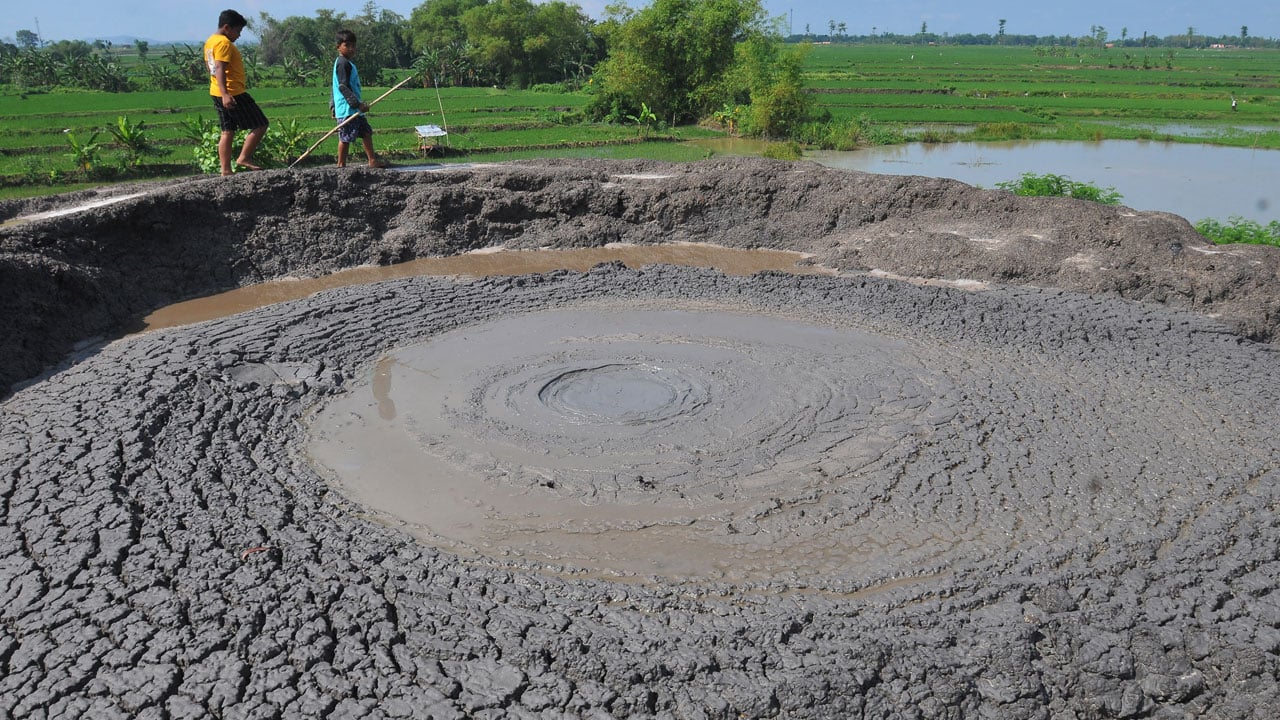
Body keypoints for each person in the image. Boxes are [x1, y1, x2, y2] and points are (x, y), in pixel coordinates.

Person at [204, 9, 268, 175]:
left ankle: (225, 169)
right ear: (227, 27)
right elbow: (219, 67)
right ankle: (244, 157)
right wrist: (226, 94)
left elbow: (209, 67)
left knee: (228, 130)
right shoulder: (224, 44)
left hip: (216, 91)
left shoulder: (210, 41)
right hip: (233, 92)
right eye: (238, 31)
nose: (239, 35)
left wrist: (218, 90)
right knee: (260, 124)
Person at [331, 29, 389, 168]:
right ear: (338, 46)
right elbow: (342, 87)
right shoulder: (342, 63)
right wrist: (357, 104)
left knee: (366, 132)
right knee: (345, 137)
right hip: (348, 109)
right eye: (347, 45)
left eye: (353, 46)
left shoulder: (348, 64)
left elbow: (335, 87)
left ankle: (372, 160)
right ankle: (341, 164)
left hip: (355, 109)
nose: (351, 49)